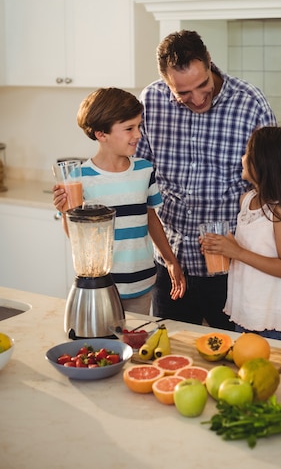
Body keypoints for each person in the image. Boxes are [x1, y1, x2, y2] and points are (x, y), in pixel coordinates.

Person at [135, 29, 277, 328]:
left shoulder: (249, 102)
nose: (198, 99)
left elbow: (274, 185)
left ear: (210, 62)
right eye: (183, 93)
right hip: (172, 265)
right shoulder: (152, 101)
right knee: (168, 353)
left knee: (232, 360)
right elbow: (140, 175)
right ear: (165, 82)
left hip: (232, 268)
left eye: (203, 85)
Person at [53, 87, 185, 314]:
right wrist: (66, 210)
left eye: (139, 126)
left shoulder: (144, 170)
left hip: (142, 280)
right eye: (129, 128)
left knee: (134, 342)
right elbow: (77, 237)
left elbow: (150, 218)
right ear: (101, 134)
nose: (139, 135)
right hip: (101, 284)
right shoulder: (79, 178)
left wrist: (170, 260)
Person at [200, 126, 281, 341]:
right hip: (247, 312)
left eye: (248, 153)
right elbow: (252, 251)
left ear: (266, 164)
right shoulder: (247, 200)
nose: (243, 158)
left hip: (275, 319)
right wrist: (225, 247)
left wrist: (237, 251)